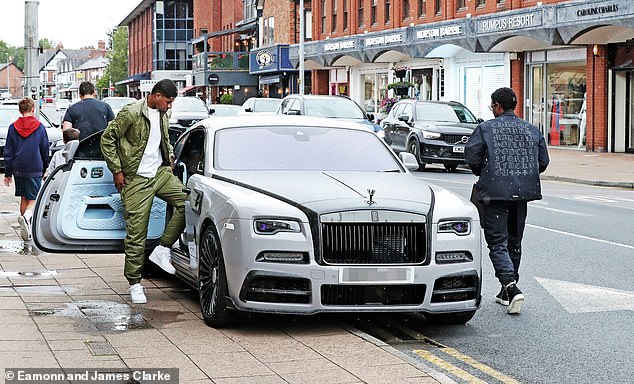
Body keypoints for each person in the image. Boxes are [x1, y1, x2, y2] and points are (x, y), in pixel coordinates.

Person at [100, 79, 186, 304]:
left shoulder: (163, 113)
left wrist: (169, 161)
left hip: (159, 173)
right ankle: (135, 283)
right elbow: (107, 139)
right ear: (156, 96)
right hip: (135, 178)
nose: (169, 106)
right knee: (137, 233)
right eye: (167, 101)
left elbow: (163, 140)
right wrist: (117, 170)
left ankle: (163, 248)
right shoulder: (132, 113)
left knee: (188, 201)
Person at [464, 87, 549, 315]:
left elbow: (472, 157)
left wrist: (484, 170)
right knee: (515, 241)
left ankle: (511, 288)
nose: (492, 110)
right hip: (522, 193)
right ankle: (505, 291)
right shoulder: (531, 129)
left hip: (494, 193)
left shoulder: (485, 128)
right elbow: (543, 161)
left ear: (498, 107)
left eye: (492, 106)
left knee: (497, 243)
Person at [3, 97, 50, 241]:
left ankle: (26, 227)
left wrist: (8, 172)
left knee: (24, 197)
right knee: (34, 198)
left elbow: (8, 151)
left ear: (19, 110)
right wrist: (45, 166)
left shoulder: (12, 127)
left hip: (18, 167)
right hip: (34, 165)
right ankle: (26, 218)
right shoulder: (40, 127)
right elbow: (44, 149)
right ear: (33, 109)